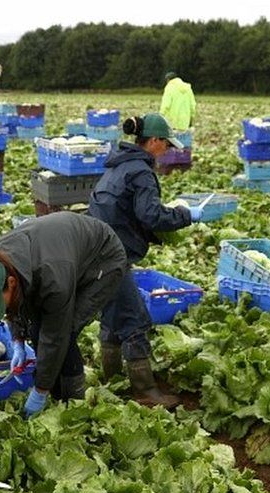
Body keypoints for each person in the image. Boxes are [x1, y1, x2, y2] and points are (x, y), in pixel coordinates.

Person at [0, 213, 128, 418]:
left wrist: (39, 391)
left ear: (11, 283)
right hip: (60, 253)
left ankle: (74, 400)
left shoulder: (52, 279)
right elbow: (15, 303)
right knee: (39, 330)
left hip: (101, 260)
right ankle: (55, 391)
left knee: (66, 330)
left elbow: (56, 335)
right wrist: (18, 338)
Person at [88, 114, 202, 408]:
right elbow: (151, 215)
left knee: (113, 316)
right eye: (165, 144)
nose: (167, 150)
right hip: (113, 254)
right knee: (135, 320)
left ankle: (112, 378)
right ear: (153, 141)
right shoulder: (140, 172)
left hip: (97, 251)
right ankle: (146, 392)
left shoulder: (118, 165)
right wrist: (186, 215)